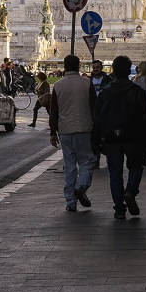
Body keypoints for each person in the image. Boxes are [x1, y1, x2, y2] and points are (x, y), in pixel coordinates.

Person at [94, 55, 146, 219]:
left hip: (111, 138)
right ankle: (131, 190)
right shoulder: (137, 91)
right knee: (136, 166)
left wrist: (96, 140)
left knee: (115, 173)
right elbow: (145, 118)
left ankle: (119, 208)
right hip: (133, 137)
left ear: (113, 71)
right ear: (129, 71)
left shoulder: (105, 93)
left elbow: (97, 118)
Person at [49, 54, 98, 211]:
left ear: (64, 66)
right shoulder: (87, 83)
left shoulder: (57, 85)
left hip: (64, 130)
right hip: (84, 128)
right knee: (87, 161)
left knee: (69, 165)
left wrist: (52, 132)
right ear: (78, 66)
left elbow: (54, 111)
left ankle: (70, 202)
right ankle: (81, 186)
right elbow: (94, 107)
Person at [88, 60, 112, 168]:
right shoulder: (88, 80)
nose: (96, 69)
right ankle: (95, 159)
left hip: (105, 111)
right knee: (94, 136)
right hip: (93, 111)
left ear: (101, 68)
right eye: (94, 67)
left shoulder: (108, 80)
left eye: (97, 67)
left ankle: (110, 159)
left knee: (106, 136)